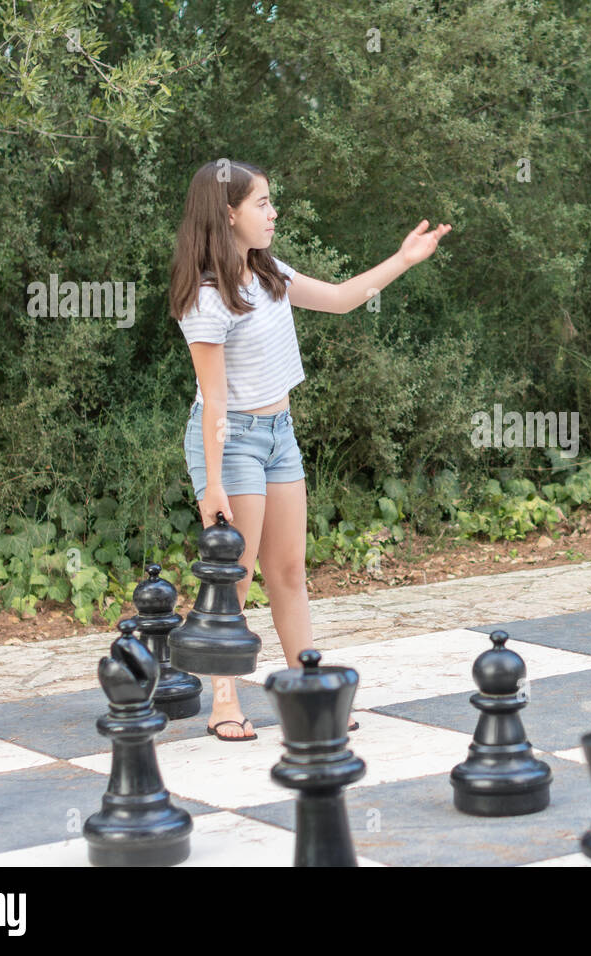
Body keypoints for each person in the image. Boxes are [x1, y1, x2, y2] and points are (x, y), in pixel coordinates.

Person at [168, 159, 451, 740]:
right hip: (233, 441)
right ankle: (224, 703)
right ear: (228, 214)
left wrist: (404, 259)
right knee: (236, 577)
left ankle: (307, 691)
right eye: (263, 204)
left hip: (279, 437)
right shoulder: (206, 297)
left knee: (289, 571)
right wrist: (214, 483)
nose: (273, 213)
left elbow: (344, 298)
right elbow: (215, 401)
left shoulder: (269, 273)